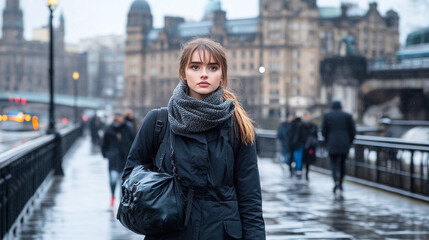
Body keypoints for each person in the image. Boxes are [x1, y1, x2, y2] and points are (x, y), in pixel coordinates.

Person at [122, 38, 266, 239]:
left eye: (213, 67)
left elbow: (250, 200)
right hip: (168, 232)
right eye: (195, 66)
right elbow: (131, 177)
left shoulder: (238, 126)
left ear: (222, 74)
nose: (204, 74)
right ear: (183, 73)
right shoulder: (158, 121)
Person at [101, 110, 136, 206]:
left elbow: (134, 141)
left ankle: (122, 201)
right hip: (113, 159)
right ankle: (112, 195)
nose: (117, 118)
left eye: (119, 116)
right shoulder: (109, 129)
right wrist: (106, 154)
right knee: (112, 180)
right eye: (116, 116)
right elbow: (104, 144)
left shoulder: (128, 128)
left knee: (123, 182)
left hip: (125, 159)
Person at [322, 99, 356, 193]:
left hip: (332, 143)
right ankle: (341, 182)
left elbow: (324, 131)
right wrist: (350, 141)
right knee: (342, 163)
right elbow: (353, 131)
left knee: (333, 163)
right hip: (344, 143)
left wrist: (327, 141)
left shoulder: (327, 115)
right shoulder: (347, 115)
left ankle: (335, 180)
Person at [300, 112, 318, 181]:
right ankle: (301, 172)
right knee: (301, 159)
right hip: (302, 145)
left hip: (310, 147)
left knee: (308, 160)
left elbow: (316, 136)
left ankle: (306, 173)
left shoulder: (313, 126)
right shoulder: (300, 126)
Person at [288, 114, 304, 178]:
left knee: (292, 157)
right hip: (299, 144)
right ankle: (298, 169)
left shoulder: (292, 125)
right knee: (299, 157)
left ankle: (292, 167)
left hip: (292, 144)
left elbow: (288, 134)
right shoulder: (301, 126)